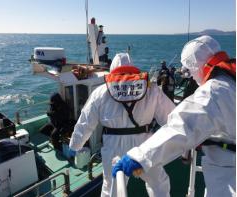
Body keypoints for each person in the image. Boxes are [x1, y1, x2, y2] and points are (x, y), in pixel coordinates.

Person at [112, 35, 236, 197]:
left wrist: (139, 157)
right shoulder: (230, 81)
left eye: (189, 70)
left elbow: (183, 125)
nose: (190, 76)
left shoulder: (214, 91)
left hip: (228, 173)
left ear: (196, 64)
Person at [69, 53, 175, 197]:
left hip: (113, 147)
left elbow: (85, 122)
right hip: (144, 144)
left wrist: (75, 145)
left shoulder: (100, 92)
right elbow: (171, 117)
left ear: (112, 69)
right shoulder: (151, 89)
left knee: (111, 187)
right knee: (158, 183)